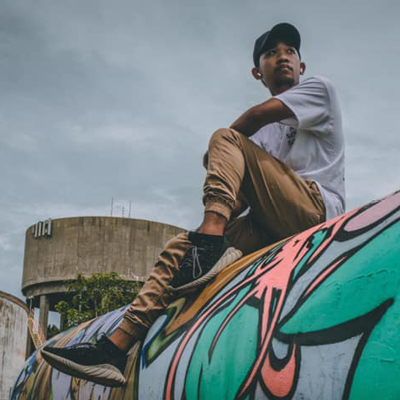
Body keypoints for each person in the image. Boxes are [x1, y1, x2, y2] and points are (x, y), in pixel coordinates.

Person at [41, 22, 345, 387]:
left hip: (315, 210)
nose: (283, 57)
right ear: (257, 72)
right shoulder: (261, 139)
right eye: (271, 53)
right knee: (179, 248)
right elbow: (240, 199)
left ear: (301, 66)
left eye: (290, 52)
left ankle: (210, 241)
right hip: (271, 222)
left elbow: (252, 119)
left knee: (225, 138)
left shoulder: (318, 90)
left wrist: (217, 152)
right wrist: (209, 223)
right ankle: (116, 347)